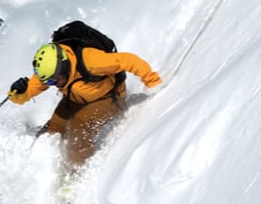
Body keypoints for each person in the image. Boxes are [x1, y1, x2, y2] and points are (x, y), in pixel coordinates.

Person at [9, 42, 162, 168]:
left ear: (64, 68)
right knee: (54, 126)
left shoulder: (91, 61)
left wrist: (152, 81)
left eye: (53, 80)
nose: (52, 84)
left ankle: (74, 172)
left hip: (108, 98)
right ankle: (37, 161)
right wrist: (17, 92)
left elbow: (128, 61)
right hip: (76, 98)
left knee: (78, 128)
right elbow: (24, 96)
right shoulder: (51, 71)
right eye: (48, 82)